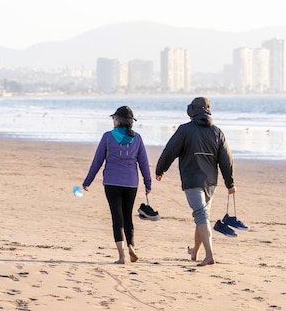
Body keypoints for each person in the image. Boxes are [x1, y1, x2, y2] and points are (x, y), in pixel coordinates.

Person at [155, 97, 236, 266]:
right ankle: (195, 252)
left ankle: (209, 255)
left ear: (192, 111)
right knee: (202, 215)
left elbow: (170, 150)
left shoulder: (185, 130)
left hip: (192, 179)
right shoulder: (217, 132)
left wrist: (160, 169)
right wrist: (230, 183)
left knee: (201, 216)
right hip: (211, 182)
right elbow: (226, 160)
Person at [83, 106, 152, 264]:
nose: (113, 120)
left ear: (118, 120)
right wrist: (148, 183)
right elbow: (144, 163)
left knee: (117, 218)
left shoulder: (107, 137)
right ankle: (131, 246)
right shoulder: (138, 138)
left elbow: (97, 161)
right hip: (131, 183)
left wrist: (88, 181)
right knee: (128, 216)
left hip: (112, 182)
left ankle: (121, 256)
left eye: (114, 118)